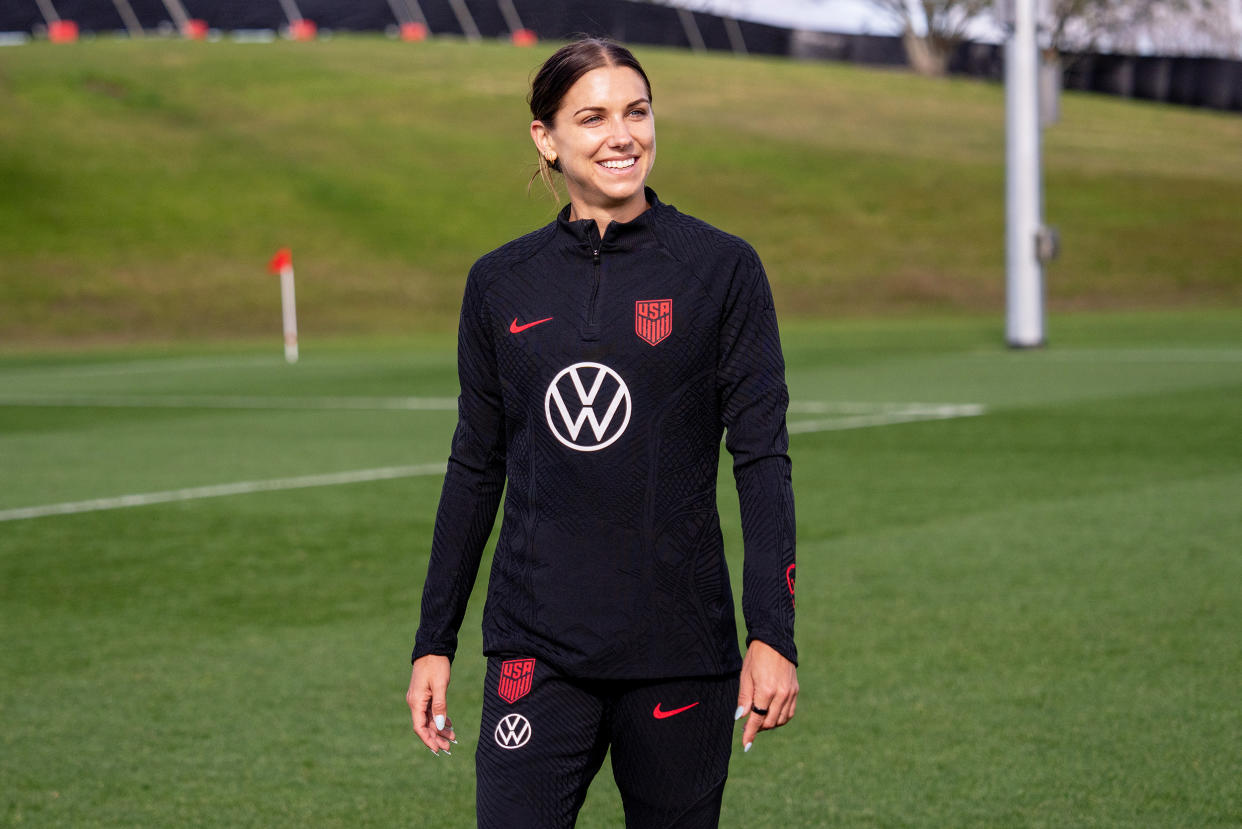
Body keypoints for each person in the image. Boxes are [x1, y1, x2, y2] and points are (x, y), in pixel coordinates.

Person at [406, 37, 798, 828]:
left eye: (637, 112)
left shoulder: (722, 269)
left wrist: (774, 634)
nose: (623, 135)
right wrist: (433, 638)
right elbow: (475, 466)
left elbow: (761, 459)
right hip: (535, 645)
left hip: (680, 647)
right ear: (546, 139)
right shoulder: (499, 283)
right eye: (592, 117)